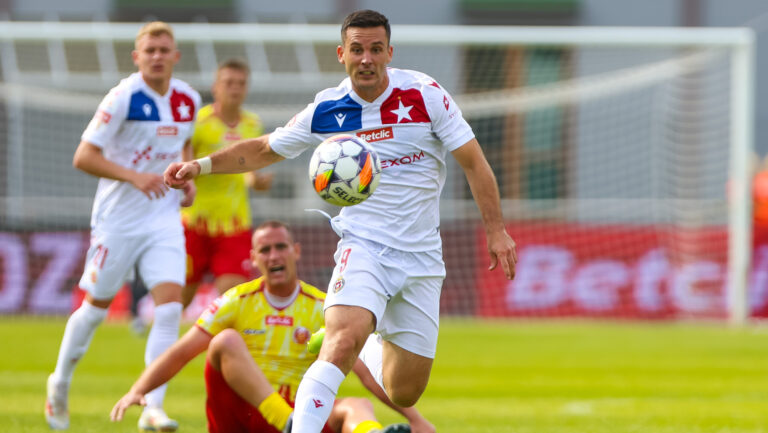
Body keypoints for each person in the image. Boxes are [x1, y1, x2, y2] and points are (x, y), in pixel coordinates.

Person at [164, 9, 517, 433]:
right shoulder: (328, 108)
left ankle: (367, 344)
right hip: (363, 246)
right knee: (341, 340)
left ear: (389, 52)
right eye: (356, 49)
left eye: (374, 49)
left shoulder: (426, 96)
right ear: (341, 54)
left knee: (404, 390)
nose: (365, 58)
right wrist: (200, 166)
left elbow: (475, 163)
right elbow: (263, 149)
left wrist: (496, 231)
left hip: (421, 257)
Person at [110, 221, 434, 433]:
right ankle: (287, 420)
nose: (274, 255)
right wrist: (139, 390)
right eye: (265, 249)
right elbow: (181, 353)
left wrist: (416, 420)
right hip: (245, 418)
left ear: (295, 252)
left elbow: (365, 371)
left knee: (356, 406)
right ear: (254, 259)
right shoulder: (236, 301)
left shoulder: (324, 306)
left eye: (281, 247)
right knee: (224, 341)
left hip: (304, 415)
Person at [45, 21, 201, 432]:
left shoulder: (188, 99)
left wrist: (187, 181)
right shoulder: (122, 97)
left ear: (175, 56)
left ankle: (153, 407)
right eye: (149, 50)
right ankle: (58, 383)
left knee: (169, 309)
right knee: (94, 311)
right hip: (117, 222)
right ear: (137, 57)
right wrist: (134, 176)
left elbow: (183, 147)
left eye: (164, 49)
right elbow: (83, 156)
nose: (157, 56)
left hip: (164, 220)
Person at [181, 58, 273, 307]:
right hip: (194, 221)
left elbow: (249, 168)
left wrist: (257, 181)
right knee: (178, 301)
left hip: (233, 224)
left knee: (230, 304)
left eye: (241, 83)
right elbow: (184, 164)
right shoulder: (197, 123)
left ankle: (222, 347)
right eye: (229, 82)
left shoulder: (253, 125)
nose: (235, 88)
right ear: (216, 88)